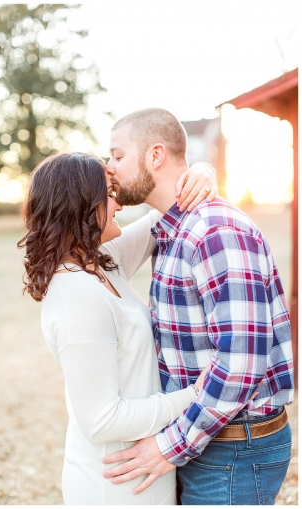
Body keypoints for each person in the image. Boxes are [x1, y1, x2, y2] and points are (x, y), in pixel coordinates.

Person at [101, 108, 294, 505]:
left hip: (233, 449)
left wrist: (169, 446)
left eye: (118, 156)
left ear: (156, 155)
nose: (110, 168)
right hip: (208, 439)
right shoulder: (171, 227)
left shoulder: (216, 232)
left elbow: (239, 364)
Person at [18, 152, 217, 504]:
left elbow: (167, 209)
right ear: (82, 203)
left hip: (139, 471)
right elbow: (102, 421)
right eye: (109, 194)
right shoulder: (77, 294)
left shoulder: (99, 264)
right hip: (114, 485)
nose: (119, 205)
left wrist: (202, 170)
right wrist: (194, 395)